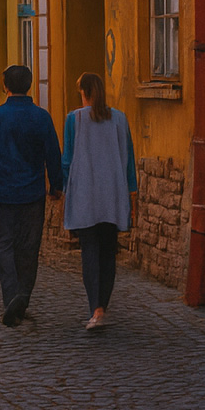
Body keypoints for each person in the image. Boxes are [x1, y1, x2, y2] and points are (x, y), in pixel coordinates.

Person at [0, 64, 64, 328]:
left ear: (5, 86)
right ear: (30, 85)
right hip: (32, 193)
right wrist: (56, 185)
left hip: (4, 192)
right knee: (29, 248)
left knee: (5, 245)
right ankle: (22, 298)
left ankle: (13, 297)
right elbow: (53, 155)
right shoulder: (41, 117)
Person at [63, 71, 139, 331]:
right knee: (108, 253)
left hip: (85, 195)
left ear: (83, 92)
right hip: (112, 196)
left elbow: (67, 160)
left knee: (90, 253)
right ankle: (101, 307)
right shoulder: (119, 119)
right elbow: (128, 159)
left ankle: (95, 307)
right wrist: (132, 193)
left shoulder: (74, 120)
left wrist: (65, 191)